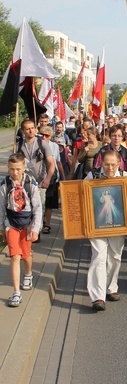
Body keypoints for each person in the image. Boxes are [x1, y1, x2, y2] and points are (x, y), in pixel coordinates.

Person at [85, 150, 127, 311]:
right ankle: (98, 296)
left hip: (118, 224)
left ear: (119, 164)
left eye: (113, 164)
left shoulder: (125, 176)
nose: (110, 168)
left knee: (115, 257)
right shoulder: (93, 176)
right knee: (99, 257)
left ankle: (111, 287)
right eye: (106, 164)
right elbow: (82, 195)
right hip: (97, 225)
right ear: (101, 163)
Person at [0, 153, 42, 307]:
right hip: (11, 223)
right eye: (11, 169)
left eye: (18, 169)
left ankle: (29, 274)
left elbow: (38, 208)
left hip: (27, 223)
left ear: (24, 168)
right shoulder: (5, 185)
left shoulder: (31, 184)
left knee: (25, 255)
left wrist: (36, 228)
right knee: (14, 256)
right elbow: (1, 207)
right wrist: (2, 227)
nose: (15, 173)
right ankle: (16, 292)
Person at [16, 119, 56, 241]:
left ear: (36, 129)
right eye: (27, 129)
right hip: (25, 181)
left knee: (39, 206)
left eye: (32, 128)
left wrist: (48, 179)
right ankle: (27, 230)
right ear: (23, 131)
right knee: (27, 206)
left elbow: (51, 163)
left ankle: (36, 232)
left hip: (40, 181)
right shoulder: (20, 145)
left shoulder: (42, 143)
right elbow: (16, 163)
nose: (30, 131)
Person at [40, 126, 65, 234]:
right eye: (42, 135)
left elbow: (58, 162)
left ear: (50, 136)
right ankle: (39, 222)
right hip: (39, 177)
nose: (44, 137)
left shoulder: (54, 146)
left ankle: (47, 224)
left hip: (52, 178)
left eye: (47, 135)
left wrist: (63, 177)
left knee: (49, 202)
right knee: (40, 203)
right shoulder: (37, 145)